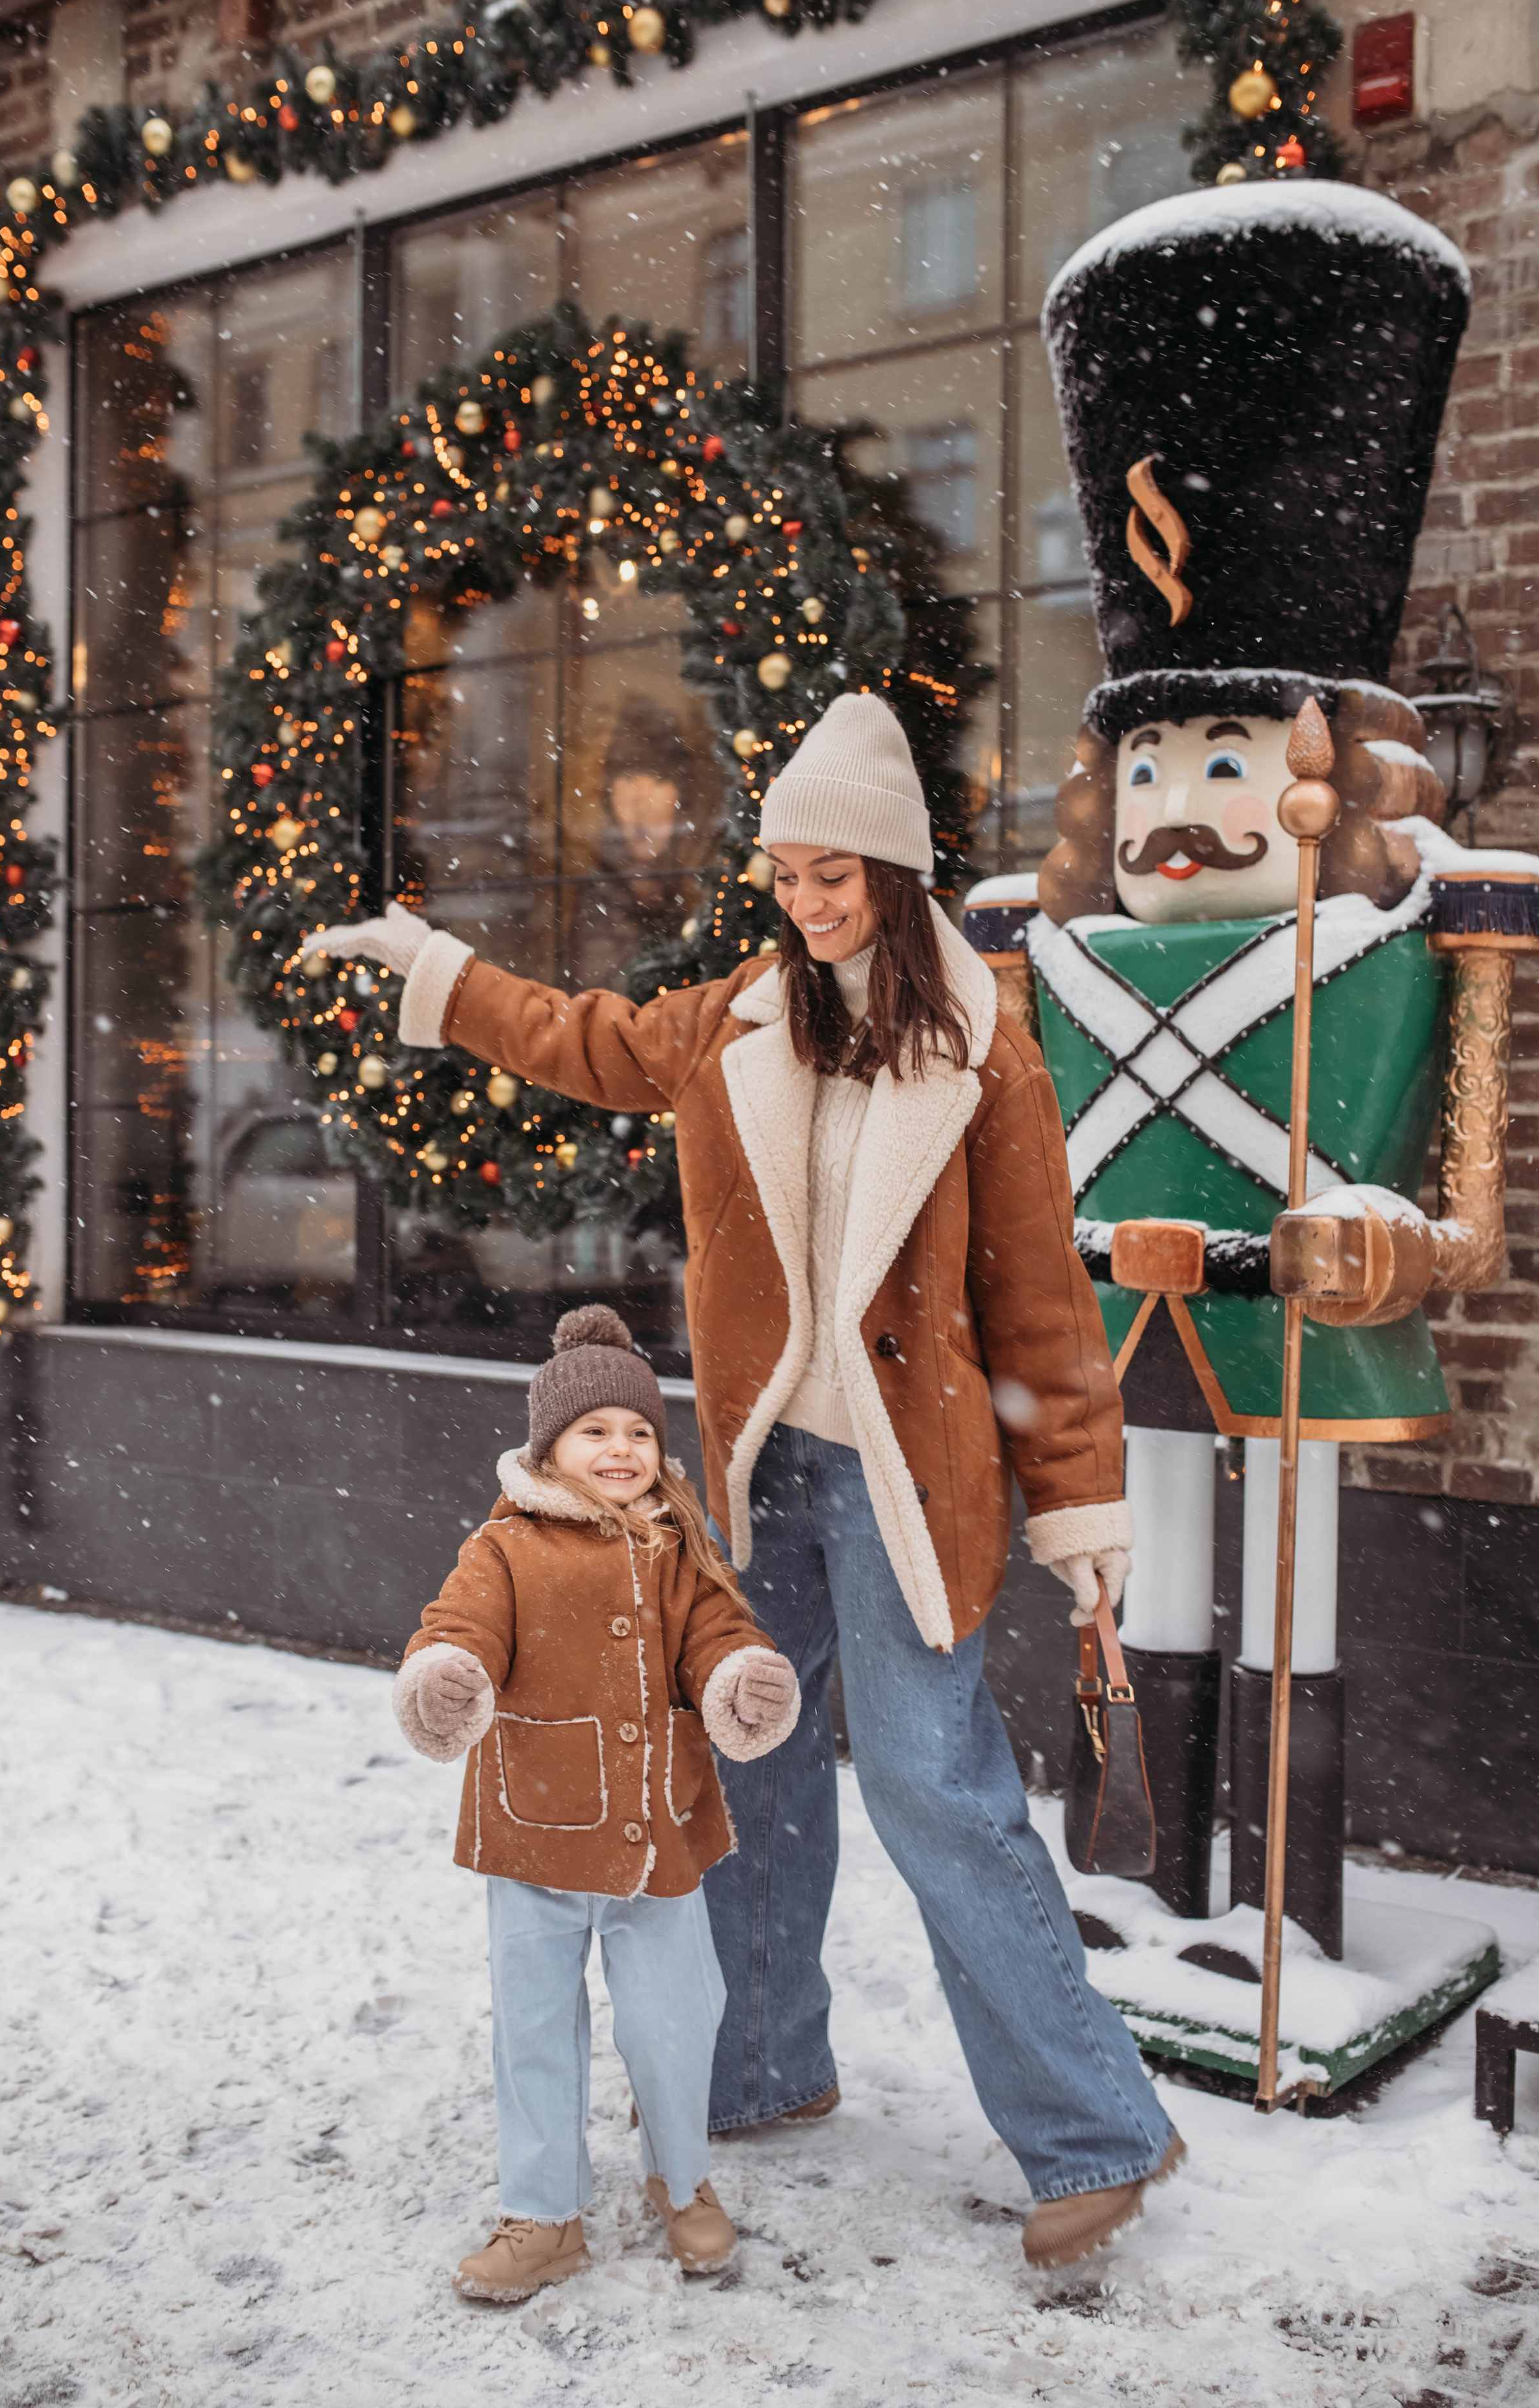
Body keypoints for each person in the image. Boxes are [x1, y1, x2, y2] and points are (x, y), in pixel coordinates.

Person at [312, 692, 1182, 2270]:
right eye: (783, 870)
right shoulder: (738, 1021)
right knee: (750, 1758)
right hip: (759, 1470)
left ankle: (1092, 2133)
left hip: (913, 1488)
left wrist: (1078, 1505)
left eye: (831, 868)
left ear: (895, 868)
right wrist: (432, 973)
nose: (805, 896)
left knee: (937, 1791)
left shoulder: (984, 1054)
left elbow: (1043, 1303)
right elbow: (583, 1040)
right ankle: (763, 2067)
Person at [394, 1303, 801, 2303]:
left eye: (638, 1432)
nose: (620, 1449)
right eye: (595, 1432)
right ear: (551, 1446)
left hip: (660, 1833)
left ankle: (681, 2175)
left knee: (674, 2017)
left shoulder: (682, 1546)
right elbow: (460, 1628)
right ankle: (545, 2213)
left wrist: (739, 1675)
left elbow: (717, 1632)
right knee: (533, 2026)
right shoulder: (505, 1548)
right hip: (534, 1830)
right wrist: (448, 1676)